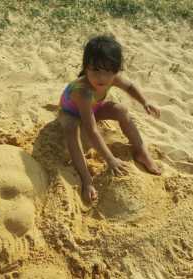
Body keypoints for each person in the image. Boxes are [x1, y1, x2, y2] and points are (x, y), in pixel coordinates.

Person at [58, 34, 161, 203]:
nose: (102, 78)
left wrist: (145, 102)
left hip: (94, 107)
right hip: (72, 112)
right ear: (86, 67)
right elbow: (91, 130)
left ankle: (141, 151)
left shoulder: (114, 78)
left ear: (116, 69)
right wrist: (110, 159)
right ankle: (86, 179)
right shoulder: (82, 90)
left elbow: (130, 86)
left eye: (108, 72)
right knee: (71, 130)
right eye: (95, 70)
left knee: (121, 110)